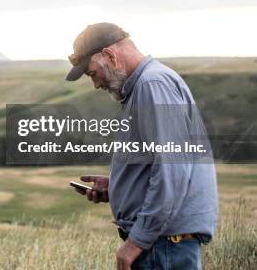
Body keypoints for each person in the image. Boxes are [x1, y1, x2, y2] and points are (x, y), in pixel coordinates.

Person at [65, 23, 218, 270]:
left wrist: (135, 243)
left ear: (110, 56)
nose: (95, 84)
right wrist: (120, 187)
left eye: (92, 74)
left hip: (162, 247)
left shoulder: (151, 85)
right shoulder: (145, 86)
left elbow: (172, 170)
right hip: (163, 245)